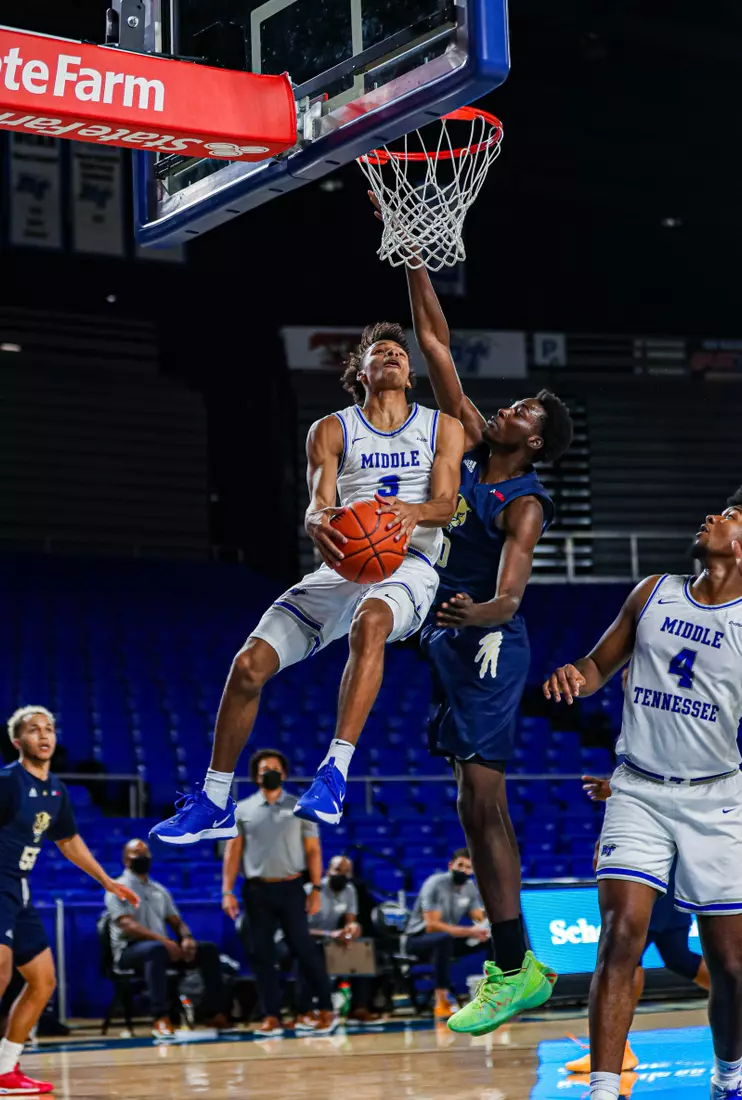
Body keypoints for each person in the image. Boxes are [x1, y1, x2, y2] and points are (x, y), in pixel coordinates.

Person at [151, 325, 464, 843]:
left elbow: (447, 504)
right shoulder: (332, 429)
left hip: (409, 562)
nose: (392, 355)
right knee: (247, 666)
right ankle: (215, 801)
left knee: (370, 622)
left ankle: (333, 774)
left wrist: (413, 512)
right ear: (360, 372)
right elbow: (320, 503)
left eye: (399, 353)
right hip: (346, 565)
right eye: (379, 352)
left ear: (411, 375)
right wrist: (315, 520)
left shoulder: (441, 427)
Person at [401, 254, 573, 1035]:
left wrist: (470, 615)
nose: (507, 409)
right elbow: (436, 344)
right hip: (450, 638)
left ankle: (513, 967)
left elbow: (509, 599)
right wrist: (412, 258)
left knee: (483, 800)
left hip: (491, 643)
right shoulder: (468, 444)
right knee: (472, 806)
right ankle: (517, 964)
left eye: (523, 412)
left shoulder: (524, 502)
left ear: (533, 442)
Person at [543, 488, 742, 1100]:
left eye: (730, 516)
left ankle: (729, 1075)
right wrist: (577, 675)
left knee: (731, 965)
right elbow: (597, 665)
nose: (711, 517)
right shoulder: (652, 592)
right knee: (621, 934)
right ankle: (605, 1088)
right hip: (638, 791)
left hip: (717, 798)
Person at [0, 706, 139, 1094]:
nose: (44, 735)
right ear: (17, 742)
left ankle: (5, 1069)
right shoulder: (7, 782)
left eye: (49, 729)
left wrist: (107, 881)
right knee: (1, 971)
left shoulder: (56, 789)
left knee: (43, 981)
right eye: (33, 730)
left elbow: (68, 840)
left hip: (19, 891)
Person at [565, 776, 710, 1075]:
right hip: (661, 866)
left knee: (624, 958)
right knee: (677, 956)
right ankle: (620, 1048)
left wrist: (619, 789)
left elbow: (666, 795)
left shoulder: (671, 767)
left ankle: (616, 1050)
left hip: (653, 866)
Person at [220, 750, 336, 1036]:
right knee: (262, 955)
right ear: (255, 776)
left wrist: (316, 888)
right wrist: (227, 891)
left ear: (283, 773)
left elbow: (313, 850)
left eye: (274, 768)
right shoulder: (242, 810)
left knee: (304, 949)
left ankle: (325, 1008)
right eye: (263, 769)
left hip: (292, 888)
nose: (269, 773)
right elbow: (233, 853)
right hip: (257, 890)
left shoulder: (301, 807)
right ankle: (271, 1015)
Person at [106, 838, 230, 1037]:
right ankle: (160, 1017)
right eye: (137, 853)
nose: (143, 857)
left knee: (207, 950)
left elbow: (176, 921)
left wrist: (186, 938)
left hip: (162, 948)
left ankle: (215, 1013)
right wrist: (163, 941)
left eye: (146, 853)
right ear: (126, 860)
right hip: (129, 951)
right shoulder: (117, 888)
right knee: (156, 951)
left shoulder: (159, 890)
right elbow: (128, 925)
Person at [406, 849, 490, 1019]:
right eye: (460, 865)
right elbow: (432, 926)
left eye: (468, 867)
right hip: (418, 938)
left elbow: (478, 917)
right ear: (451, 866)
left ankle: (496, 991)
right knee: (443, 940)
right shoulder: (434, 884)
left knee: (492, 940)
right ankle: (441, 1002)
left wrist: (489, 918)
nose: (463, 870)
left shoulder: (469, 887)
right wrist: (470, 931)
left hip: (448, 939)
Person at [305, 855, 381, 1024]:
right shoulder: (311, 890)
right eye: (338, 870)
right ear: (328, 871)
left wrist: (352, 929)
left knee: (361, 948)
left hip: (328, 938)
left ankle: (359, 1007)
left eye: (346, 872)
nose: (342, 875)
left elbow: (350, 920)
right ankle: (315, 1009)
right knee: (311, 950)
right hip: (304, 938)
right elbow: (298, 929)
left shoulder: (350, 890)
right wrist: (329, 934)